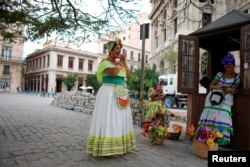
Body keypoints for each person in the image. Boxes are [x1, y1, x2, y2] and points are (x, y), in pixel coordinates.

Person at [86, 38, 136, 157]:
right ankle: (108, 148)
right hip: (108, 93)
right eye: (117, 49)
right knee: (110, 118)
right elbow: (113, 73)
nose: (119, 51)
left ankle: (120, 146)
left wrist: (124, 62)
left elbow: (129, 76)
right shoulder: (104, 63)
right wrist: (120, 62)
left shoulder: (121, 64)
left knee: (119, 118)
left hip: (121, 92)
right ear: (110, 51)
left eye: (120, 49)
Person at [197, 53, 240, 146]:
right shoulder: (220, 74)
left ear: (234, 65)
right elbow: (210, 86)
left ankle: (217, 142)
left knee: (222, 118)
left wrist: (230, 90)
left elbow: (236, 90)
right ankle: (205, 140)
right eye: (226, 67)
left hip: (226, 101)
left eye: (229, 66)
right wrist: (217, 86)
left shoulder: (237, 77)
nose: (227, 69)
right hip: (213, 99)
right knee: (209, 119)